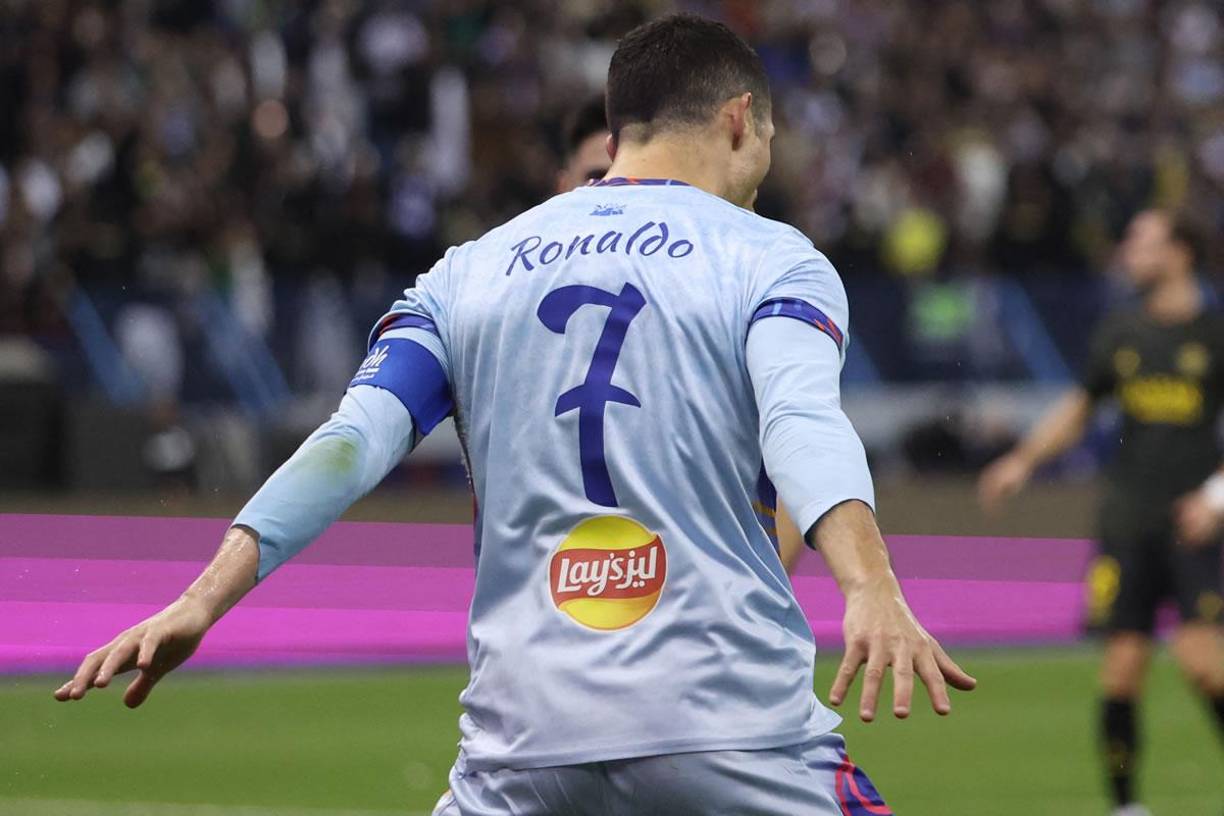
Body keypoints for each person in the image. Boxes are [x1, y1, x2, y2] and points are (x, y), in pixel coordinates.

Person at [56, 14, 974, 814]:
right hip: (729, 732)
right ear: (740, 119)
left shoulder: (469, 272)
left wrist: (200, 599)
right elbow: (803, 425)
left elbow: (349, 444)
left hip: (521, 752)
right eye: (768, 139)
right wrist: (869, 588)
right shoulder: (774, 260)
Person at [979, 209, 1224, 816]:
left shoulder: (1214, 335)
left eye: (1143, 242)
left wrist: (1217, 498)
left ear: (1180, 253)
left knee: (1205, 665)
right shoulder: (1122, 332)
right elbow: (1081, 405)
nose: (1129, 252)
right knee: (1120, 672)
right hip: (1126, 522)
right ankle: (1125, 808)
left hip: (1195, 528)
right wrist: (1024, 458)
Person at [556, 91, 811, 575]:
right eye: (594, 179)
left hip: (686, 607)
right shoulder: (509, 303)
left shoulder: (725, 284)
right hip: (561, 611)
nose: (613, 190)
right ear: (562, 185)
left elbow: (795, 449)